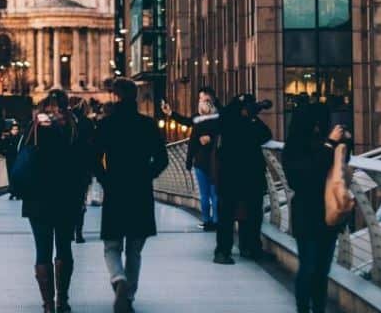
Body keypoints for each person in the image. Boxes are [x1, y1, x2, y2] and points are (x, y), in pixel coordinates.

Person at [95, 78, 169, 313]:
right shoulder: (147, 125)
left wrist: (105, 178)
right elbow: (162, 159)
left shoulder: (106, 125)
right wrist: (146, 175)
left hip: (115, 190)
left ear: (116, 97)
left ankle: (119, 280)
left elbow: (92, 157)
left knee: (111, 246)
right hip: (140, 191)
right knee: (134, 250)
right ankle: (129, 295)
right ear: (135, 97)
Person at [22, 90, 90, 312]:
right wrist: (81, 196)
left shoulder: (34, 129)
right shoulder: (74, 128)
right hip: (66, 198)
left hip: (37, 198)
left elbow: (21, 159)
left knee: (42, 251)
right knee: (64, 248)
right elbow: (83, 166)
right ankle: (63, 301)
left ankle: (48, 305)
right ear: (66, 106)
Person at [283, 103, 349, 313]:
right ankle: (303, 308)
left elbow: (340, 167)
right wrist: (329, 144)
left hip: (327, 214)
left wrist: (343, 142)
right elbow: (304, 175)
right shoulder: (294, 147)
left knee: (322, 270)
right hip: (307, 213)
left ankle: (318, 308)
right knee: (309, 266)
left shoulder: (323, 143)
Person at [213, 93, 273, 264]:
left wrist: (250, 117)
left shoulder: (231, 120)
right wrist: (250, 118)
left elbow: (265, 135)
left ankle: (233, 250)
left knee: (240, 213)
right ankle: (240, 249)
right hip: (242, 174)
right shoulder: (234, 121)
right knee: (240, 214)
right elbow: (265, 135)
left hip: (237, 175)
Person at [160, 87, 220, 230]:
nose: (199, 101)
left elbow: (188, 124)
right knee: (212, 194)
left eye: (201, 99)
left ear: (209, 100)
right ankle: (214, 221)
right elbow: (186, 122)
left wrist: (209, 139)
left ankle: (208, 221)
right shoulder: (212, 118)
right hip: (209, 161)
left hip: (208, 161)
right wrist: (170, 113)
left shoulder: (204, 119)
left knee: (208, 194)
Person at [71, 97, 96, 243]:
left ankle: (68, 231)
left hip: (66, 168)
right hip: (83, 168)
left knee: (67, 201)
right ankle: (78, 233)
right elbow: (93, 146)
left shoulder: (65, 122)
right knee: (80, 201)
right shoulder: (88, 123)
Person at [0, 121, 24, 200]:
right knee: (11, 175)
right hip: (10, 159)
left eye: (16, 129)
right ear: (10, 130)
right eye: (13, 129)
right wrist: (6, 154)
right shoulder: (7, 139)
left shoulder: (21, 139)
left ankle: (17, 192)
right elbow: (0, 149)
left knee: (18, 176)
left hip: (18, 160)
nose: (15, 131)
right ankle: (13, 192)